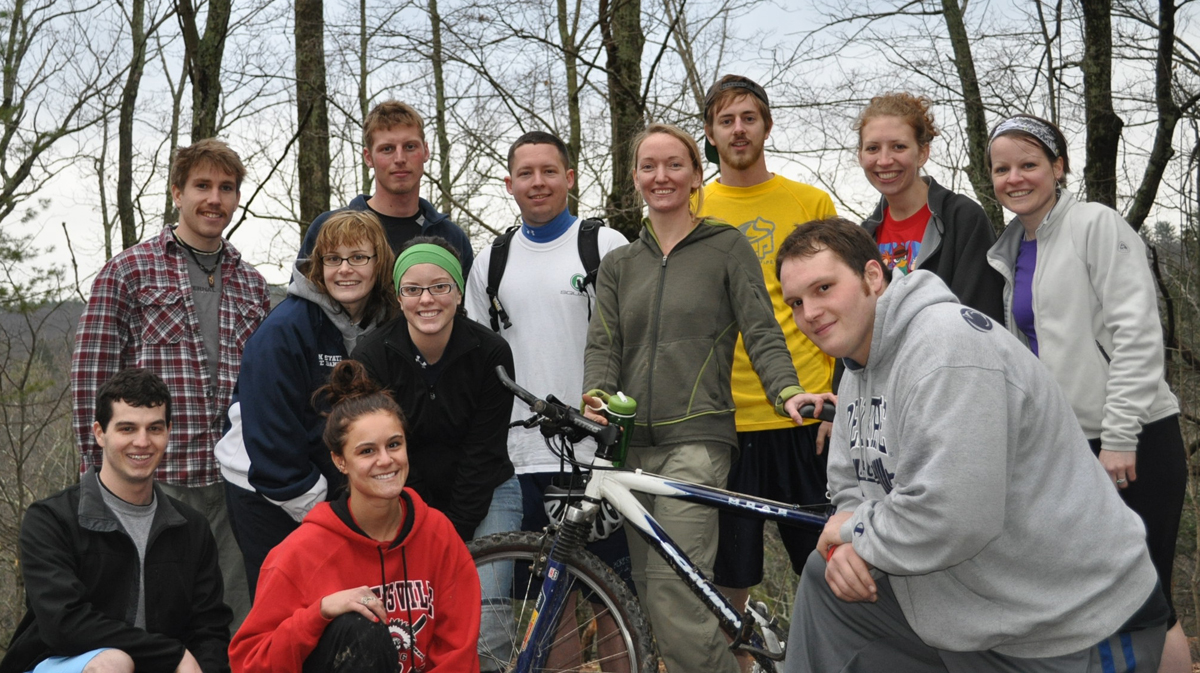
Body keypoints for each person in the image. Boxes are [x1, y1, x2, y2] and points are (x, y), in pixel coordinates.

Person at [778, 217, 1167, 673]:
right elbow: (848, 486)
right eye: (796, 302)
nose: (810, 313)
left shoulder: (946, 349)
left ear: (872, 276)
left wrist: (850, 533)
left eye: (824, 288)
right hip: (972, 614)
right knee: (829, 579)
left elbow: (952, 516)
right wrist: (845, 544)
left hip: (1068, 624)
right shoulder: (858, 369)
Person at [582, 123, 812, 673]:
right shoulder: (619, 264)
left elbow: (761, 330)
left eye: (674, 164)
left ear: (694, 174)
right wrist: (595, 393)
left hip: (699, 440)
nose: (661, 176)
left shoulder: (726, 246)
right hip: (631, 448)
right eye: (648, 166)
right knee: (653, 593)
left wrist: (787, 391)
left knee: (672, 592)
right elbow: (604, 345)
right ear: (635, 176)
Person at [985, 114, 1190, 673]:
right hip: (1068, 447)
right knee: (1094, 600)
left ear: (1059, 166)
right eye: (1002, 168)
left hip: (1133, 440)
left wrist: (1121, 437)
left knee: (1146, 600)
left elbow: (1139, 334)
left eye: (1029, 164)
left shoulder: (1095, 224)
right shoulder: (1011, 248)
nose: (1015, 178)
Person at [70, 138, 269, 626]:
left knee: (232, 618)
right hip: (153, 480)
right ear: (177, 191)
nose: (214, 199)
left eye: (226, 188)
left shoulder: (253, 285)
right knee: (147, 615)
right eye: (202, 185)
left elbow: (266, 387)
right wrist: (100, 479)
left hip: (232, 485)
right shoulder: (129, 271)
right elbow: (91, 379)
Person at [463, 131, 630, 670]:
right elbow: (477, 357)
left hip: (598, 459)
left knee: (613, 605)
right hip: (522, 460)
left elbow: (635, 339)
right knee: (546, 607)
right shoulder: (492, 261)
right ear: (509, 184)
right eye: (526, 174)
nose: (538, 183)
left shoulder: (605, 246)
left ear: (570, 178)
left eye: (549, 171)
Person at [229, 359, 480, 673]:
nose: (386, 460)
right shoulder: (300, 552)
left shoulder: (438, 533)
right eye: (367, 451)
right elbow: (248, 663)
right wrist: (319, 613)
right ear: (340, 461)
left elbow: (458, 652)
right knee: (357, 628)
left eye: (394, 445)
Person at [698, 75, 837, 641]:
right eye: (726, 120)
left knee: (832, 566)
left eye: (749, 118)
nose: (738, 129)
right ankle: (743, 660)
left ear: (767, 125)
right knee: (730, 583)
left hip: (805, 416)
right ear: (710, 131)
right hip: (726, 424)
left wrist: (843, 398)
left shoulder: (810, 203)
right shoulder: (692, 205)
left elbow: (847, 307)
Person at [0, 368, 232, 673]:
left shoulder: (191, 527)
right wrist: (172, 654)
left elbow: (209, 630)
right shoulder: (51, 520)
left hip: (159, 666)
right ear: (100, 433)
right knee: (113, 664)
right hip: (60, 661)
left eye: (154, 429)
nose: (142, 441)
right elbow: (64, 623)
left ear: (168, 432)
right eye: (127, 428)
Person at [216, 210, 399, 596]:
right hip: (267, 486)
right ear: (316, 267)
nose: (345, 270)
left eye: (358, 257)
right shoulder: (283, 332)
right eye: (333, 259)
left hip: (335, 486)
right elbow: (270, 439)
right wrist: (326, 510)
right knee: (286, 604)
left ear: (378, 262)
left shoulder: (385, 323)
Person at [354, 237, 516, 541]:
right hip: (401, 494)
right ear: (399, 299)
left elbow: (483, 450)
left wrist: (454, 531)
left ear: (458, 293)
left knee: (488, 590)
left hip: (486, 491)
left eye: (440, 286)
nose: (426, 299)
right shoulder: (372, 357)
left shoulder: (491, 353)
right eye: (413, 289)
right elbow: (386, 451)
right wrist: (427, 525)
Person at [856, 92, 1004, 321]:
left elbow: (980, 317)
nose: (884, 160)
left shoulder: (962, 219)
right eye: (873, 148)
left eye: (898, 146)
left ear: (922, 153)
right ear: (860, 156)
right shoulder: (864, 237)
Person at [299, 100, 474, 277]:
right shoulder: (328, 228)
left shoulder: (451, 237)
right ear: (368, 158)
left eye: (410, 147)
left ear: (426, 151)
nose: (399, 158)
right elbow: (300, 302)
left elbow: (467, 304)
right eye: (387, 149)